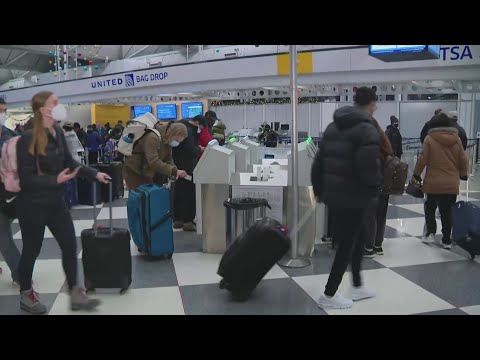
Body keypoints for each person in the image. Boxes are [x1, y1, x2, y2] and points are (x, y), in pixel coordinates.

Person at [15, 91, 111, 314]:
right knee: (31, 250)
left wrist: (93, 173)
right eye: (55, 103)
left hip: (55, 202)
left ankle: (75, 293)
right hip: (31, 205)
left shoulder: (57, 132)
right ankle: (26, 294)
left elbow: (69, 162)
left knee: (69, 245)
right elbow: (25, 177)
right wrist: (54, 179)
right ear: (43, 109)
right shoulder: (27, 138)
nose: (59, 105)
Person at [312, 86, 381, 310]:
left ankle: (357, 285)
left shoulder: (333, 126)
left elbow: (318, 162)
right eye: (375, 104)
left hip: (335, 195)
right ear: (370, 105)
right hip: (355, 197)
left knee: (358, 238)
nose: (376, 108)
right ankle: (329, 295)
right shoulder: (366, 129)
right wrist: (375, 187)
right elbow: (369, 166)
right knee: (346, 246)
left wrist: (319, 189)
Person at [415, 112, 468, 249]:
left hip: (433, 182)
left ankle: (430, 234)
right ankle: (446, 240)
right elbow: (463, 159)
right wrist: (463, 174)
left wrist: (416, 174)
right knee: (447, 212)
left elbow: (422, 159)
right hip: (451, 182)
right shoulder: (456, 139)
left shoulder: (429, 139)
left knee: (430, 208)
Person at [123, 121, 188, 190]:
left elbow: (168, 158)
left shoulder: (166, 138)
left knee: (149, 197)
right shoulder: (152, 137)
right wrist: (174, 171)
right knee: (139, 197)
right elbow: (153, 161)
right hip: (135, 171)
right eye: (176, 140)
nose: (176, 143)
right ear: (172, 133)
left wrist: (175, 171)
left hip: (146, 170)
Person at [364, 118, 394, 257]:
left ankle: (368, 247)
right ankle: (377, 245)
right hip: (384, 185)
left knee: (369, 216)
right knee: (380, 216)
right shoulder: (384, 145)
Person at [0, 98, 22, 287]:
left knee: (3, 236)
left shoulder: (11, 136)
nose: (2, 114)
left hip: (7, 195)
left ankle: (19, 274)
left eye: (3, 111)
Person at [172, 115, 204, 232]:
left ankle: (177, 219)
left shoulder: (179, 125)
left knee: (177, 192)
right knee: (189, 193)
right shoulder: (189, 130)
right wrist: (199, 149)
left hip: (176, 167)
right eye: (201, 126)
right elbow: (190, 149)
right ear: (198, 123)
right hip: (187, 168)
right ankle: (188, 221)